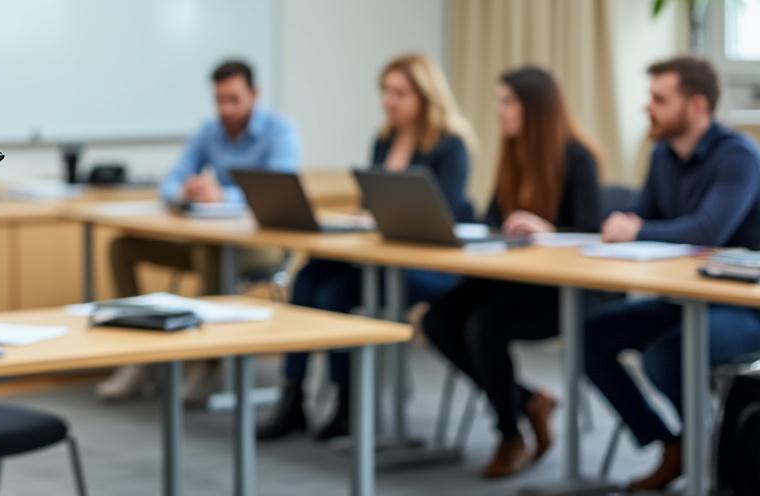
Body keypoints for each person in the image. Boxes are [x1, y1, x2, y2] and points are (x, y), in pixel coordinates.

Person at [259, 52, 473, 442]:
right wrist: (361, 219)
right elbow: (371, 203)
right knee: (307, 279)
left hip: (429, 268)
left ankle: (347, 404)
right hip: (380, 257)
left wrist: (379, 218)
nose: (388, 101)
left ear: (425, 97)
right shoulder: (384, 139)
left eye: (399, 93)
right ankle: (293, 397)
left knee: (333, 293)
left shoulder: (450, 147)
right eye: (385, 92)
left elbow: (439, 215)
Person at [584, 56, 760, 492]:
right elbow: (638, 219)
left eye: (659, 99)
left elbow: (708, 230)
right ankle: (672, 443)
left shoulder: (739, 156)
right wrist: (628, 228)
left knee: (667, 354)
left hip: (744, 307)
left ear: (697, 106)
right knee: (593, 337)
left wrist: (637, 230)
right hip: (684, 299)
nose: (648, 108)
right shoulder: (663, 153)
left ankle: (713, 459)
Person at [421, 67, 600, 478]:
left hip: (562, 290)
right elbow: (492, 219)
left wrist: (548, 230)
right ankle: (527, 401)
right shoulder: (512, 153)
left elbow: (593, 232)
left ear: (534, 109)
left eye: (507, 102)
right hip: (513, 278)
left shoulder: (577, 156)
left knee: (484, 326)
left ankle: (509, 433)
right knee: (438, 319)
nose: (499, 111)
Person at [96, 59, 301, 403]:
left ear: (255, 94)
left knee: (211, 253)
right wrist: (186, 191)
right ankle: (138, 358)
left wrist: (226, 195)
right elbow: (171, 181)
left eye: (234, 99)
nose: (226, 108)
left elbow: (280, 192)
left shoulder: (280, 133)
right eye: (219, 99)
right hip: (207, 241)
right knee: (123, 248)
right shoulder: (210, 131)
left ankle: (207, 364)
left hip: (263, 247)